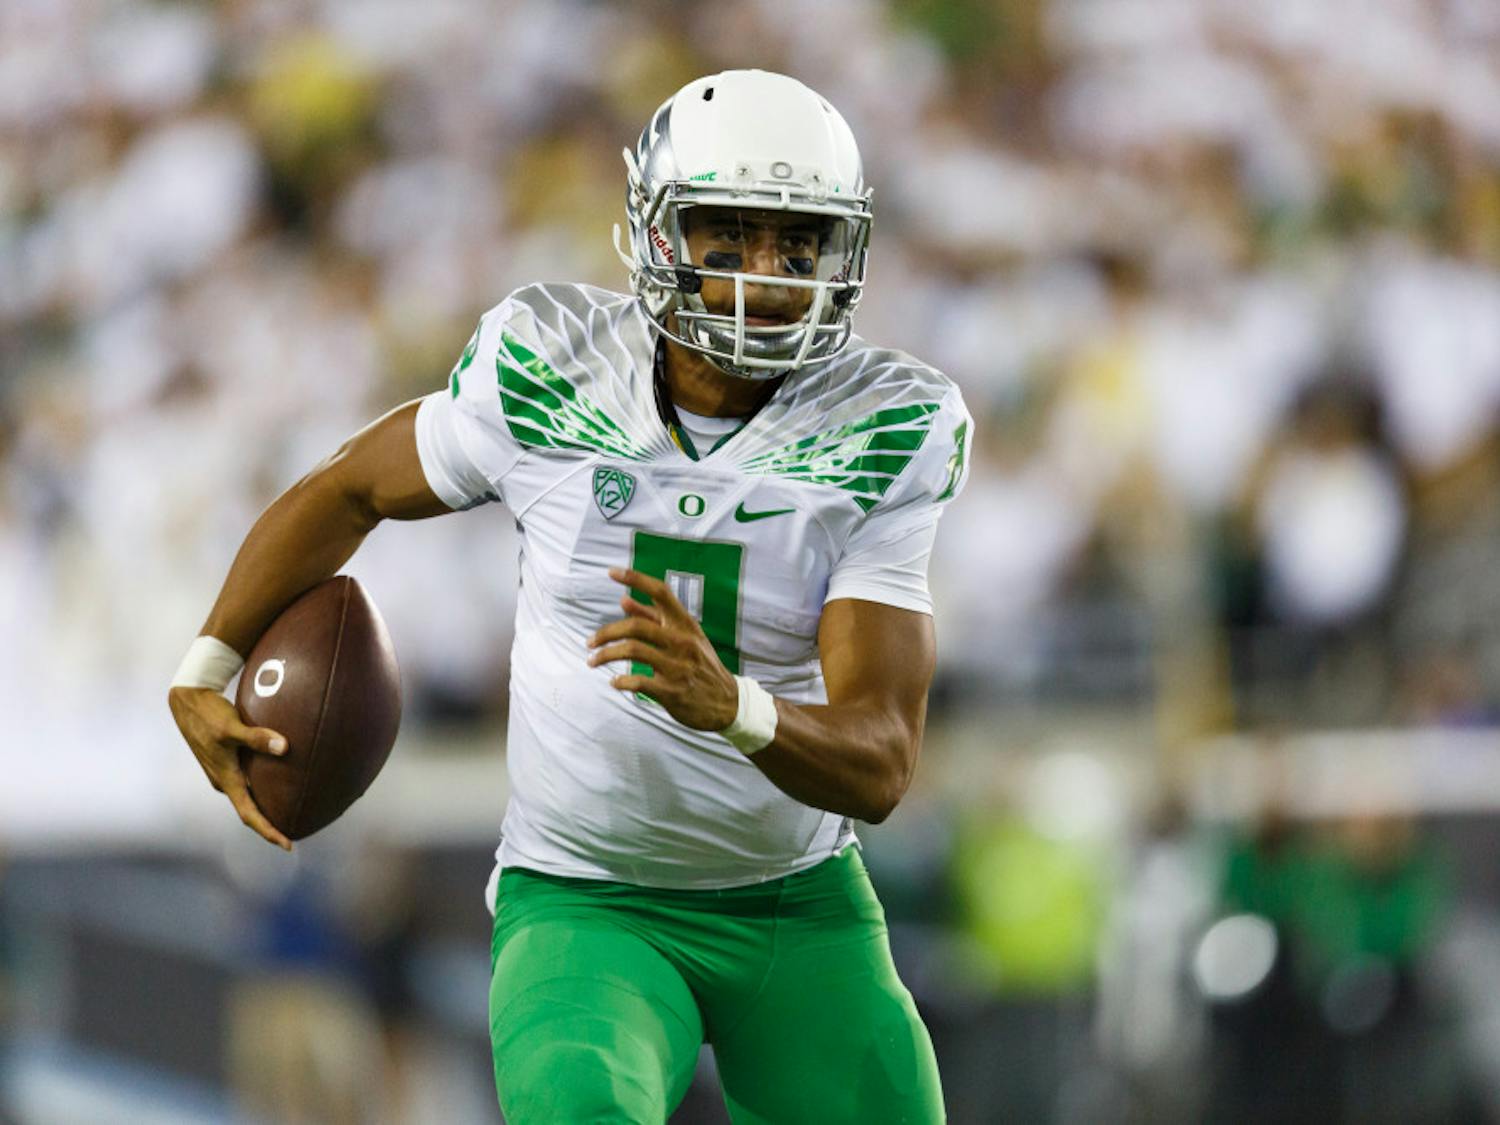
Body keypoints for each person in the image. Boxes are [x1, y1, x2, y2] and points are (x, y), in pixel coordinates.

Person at [169, 69, 969, 1123]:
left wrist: (733, 706)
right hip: (587, 894)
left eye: (798, 243)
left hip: (796, 903)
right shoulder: (554, 367)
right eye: (731, 235)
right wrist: (208, 663)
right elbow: (349, 487)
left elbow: (881, 760)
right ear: (659, 232)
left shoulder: (884, 425)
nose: (767, 274)